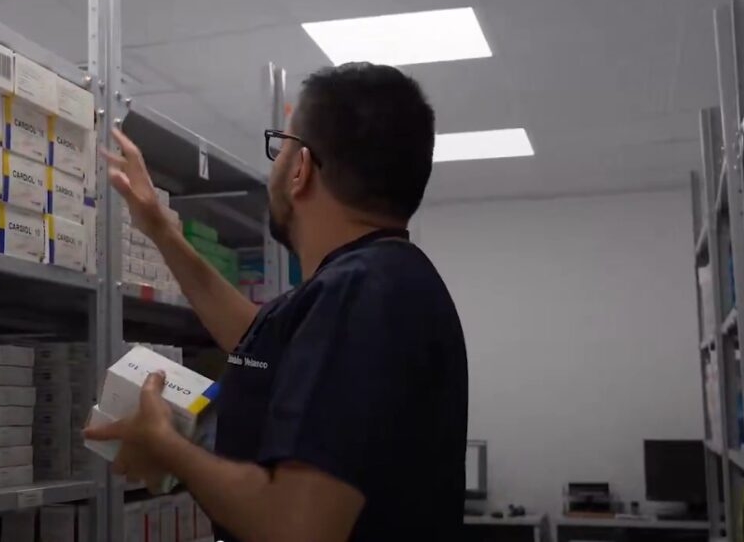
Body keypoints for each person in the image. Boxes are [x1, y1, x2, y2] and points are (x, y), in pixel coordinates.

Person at [85, 62, 469, 541]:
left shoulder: (361, 292)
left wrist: (168, 448)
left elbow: (297, 527)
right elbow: (257, 339)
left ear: (300, 169)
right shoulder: (378, 279)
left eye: (280, 147)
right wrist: (160, 227)